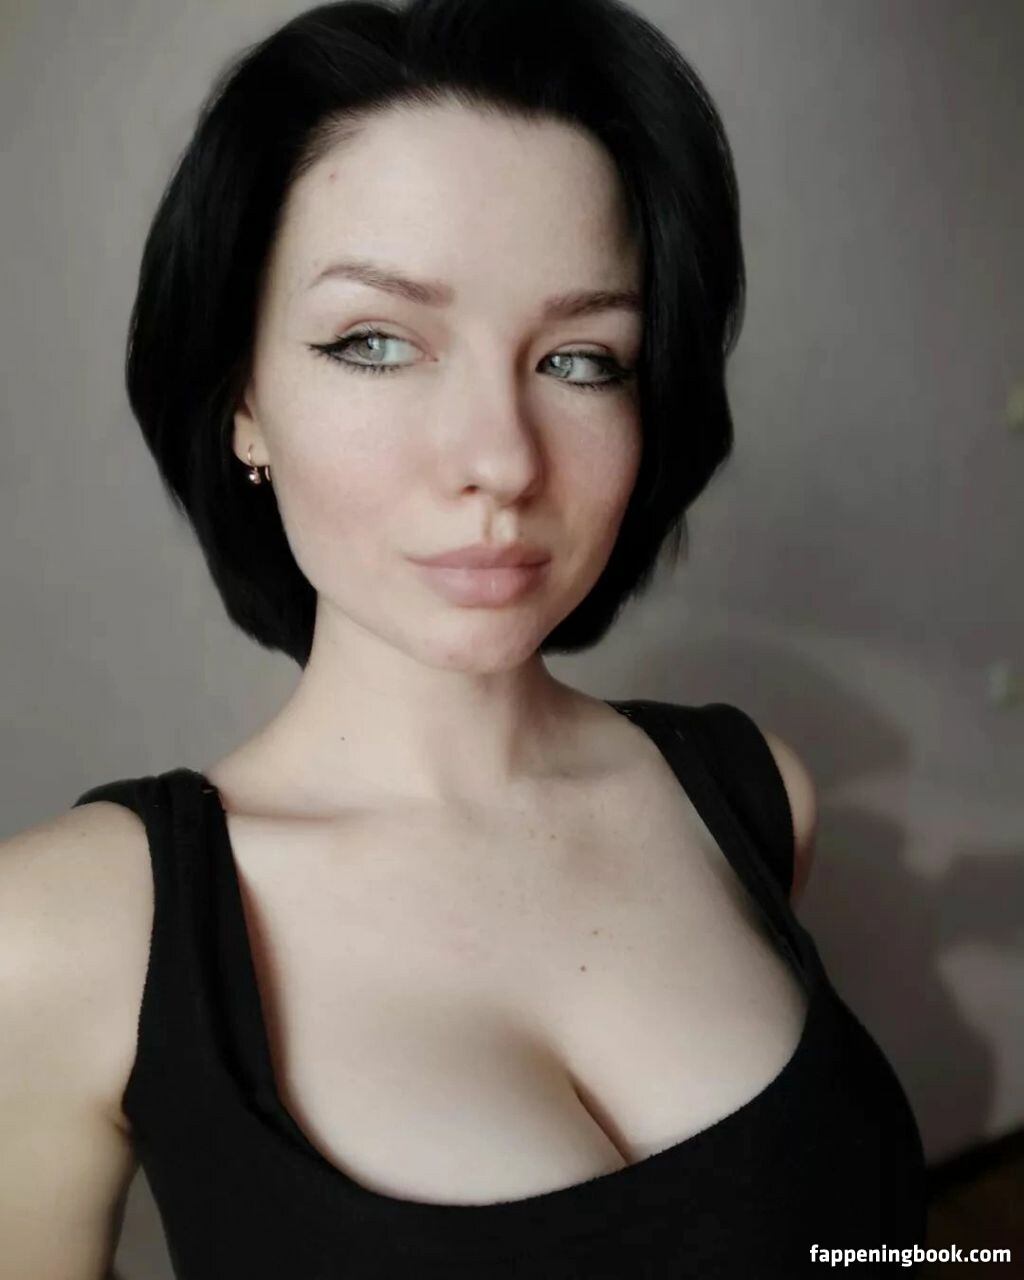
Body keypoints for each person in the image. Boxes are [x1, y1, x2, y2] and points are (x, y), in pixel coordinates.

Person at [0, 0, 927, 1275]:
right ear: (242, 400)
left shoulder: (754, 795)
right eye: (375, 343)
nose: (500, 457)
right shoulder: (67, 934)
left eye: (583, 360)